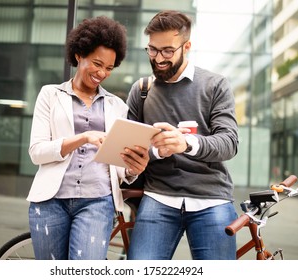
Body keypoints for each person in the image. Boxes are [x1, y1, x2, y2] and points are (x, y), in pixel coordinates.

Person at [26, 16, 149, 260]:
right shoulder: (50, 95)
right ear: (79, 54)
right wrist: (83, 138)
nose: (102, 73)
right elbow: (37, 152)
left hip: (97, 202)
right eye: (97, 63)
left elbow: (119, 167)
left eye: (109, 68)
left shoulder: (117, 106)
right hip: (50, 201)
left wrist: (134, 168)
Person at [126, 10, 239, 260]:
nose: (158, 59)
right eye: (153, 50)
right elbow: (130, 148)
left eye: (167, 51)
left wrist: (185, 143)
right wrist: (156, 151)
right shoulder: (141, 90)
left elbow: (229, 143)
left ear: (186, 46)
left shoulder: (215, 85)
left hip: (211, 199)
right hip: (159, 197)